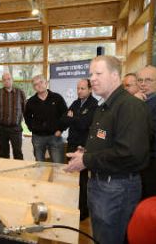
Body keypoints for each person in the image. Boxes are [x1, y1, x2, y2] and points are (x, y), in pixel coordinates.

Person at [65, 55, 151, 244]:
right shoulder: (104, 107)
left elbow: (129, 153)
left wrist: (86, 161)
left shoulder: (130, 107)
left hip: (117, 188)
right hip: (101, 185)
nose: (92, 79)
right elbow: (106, 144)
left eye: (98, 73)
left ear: (114, 75)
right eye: (90, 74)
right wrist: (85, 153)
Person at [60, 78, 98, 221]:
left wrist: (73, 117)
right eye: (78, 88)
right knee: (71, 177)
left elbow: (84, 124)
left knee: (82, 180)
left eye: (82, 88)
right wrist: (75, 118)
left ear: (90, 89)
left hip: (82, 147)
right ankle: (72, 206)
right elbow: (63, 119)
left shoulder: (94, 105)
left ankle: (83, 210)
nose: (79, 91)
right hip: (71, 144)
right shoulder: (76, 103)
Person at [24, 75, 68, 163]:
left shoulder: (57, 98)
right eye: (36, 84)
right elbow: (27, 117)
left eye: (41, 82)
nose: (39, 85)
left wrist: (61, 129)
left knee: (58, 164)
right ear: (34, 88)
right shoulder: (31, 101)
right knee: (40, 165)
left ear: (46, 83)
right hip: (38, 138)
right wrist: (32, 128)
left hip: (55, 136)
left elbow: (65, 115)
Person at [135, 65, 156, 199]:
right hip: (142, 162)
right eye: (140, 80)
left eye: (148, 80)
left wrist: (137, 106)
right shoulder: (141, 100)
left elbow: (150, 134)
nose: (143, 84)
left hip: (154, 163)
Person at [0, 73, 26, 160]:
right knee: (3, 154)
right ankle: (5, 173)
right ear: (2, 81)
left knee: (18, 153)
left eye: (9, 79)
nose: (7, 81)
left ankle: (19, 173)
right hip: (1, 129)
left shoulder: (20, 93)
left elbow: (25, 110)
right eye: (4, 79)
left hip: (16, 129)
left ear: (12, 80)